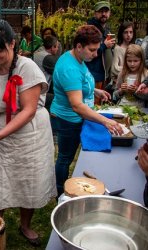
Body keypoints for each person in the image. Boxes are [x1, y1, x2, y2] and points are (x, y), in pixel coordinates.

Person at [0, 20, 57, 246]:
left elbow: (29, 110)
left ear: (13, 44)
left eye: (0, 49)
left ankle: (25, 225)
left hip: (30, 135)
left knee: (28, 181)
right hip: (0, 133)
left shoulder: (27, 67)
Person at [50, 25, 123, 196]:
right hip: (68, 120)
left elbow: (79, 85)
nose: (96, 54)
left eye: (97, 49)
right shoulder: (70, 68)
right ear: (79, 46)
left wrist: (94, 91)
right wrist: (105, 120)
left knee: (68, 157)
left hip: (74, 117)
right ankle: (60, 192)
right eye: (92, 50)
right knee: (65, 158)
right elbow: (76, 105)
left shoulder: (77, 59)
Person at [86, 1, 116, 103]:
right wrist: (104, 45)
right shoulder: (91, 29)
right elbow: (88, 53)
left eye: (106, 11)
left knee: (101, 103)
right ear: (95, 13)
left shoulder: (106, 29)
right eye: (100, 11)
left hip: (104, 75)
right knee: (93, 104)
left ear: (109, 13)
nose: (104, 14)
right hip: (93, 74)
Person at [33, 36, 59, 111]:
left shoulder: (37, 52)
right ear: (52, 47)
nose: (57, 49)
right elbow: (59, 75)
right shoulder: (48, 58)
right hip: (39, 94)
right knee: (60, 99)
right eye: (57, 47)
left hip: (34, 89)